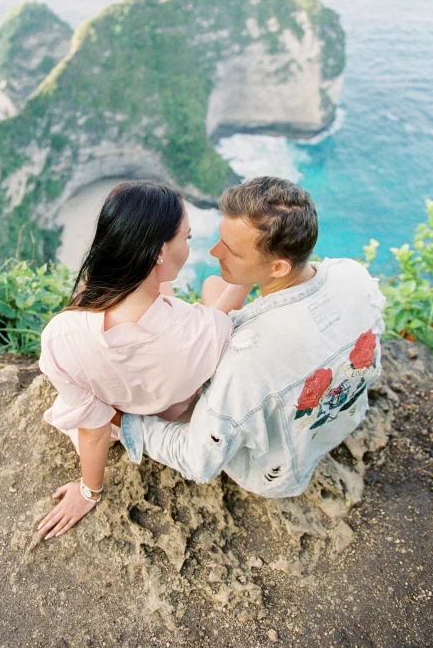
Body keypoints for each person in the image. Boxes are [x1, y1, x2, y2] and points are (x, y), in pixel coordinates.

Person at [118, 176, 386, 498]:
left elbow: (197, 460)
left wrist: (126, 424)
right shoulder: (351, 274)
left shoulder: (245, 360)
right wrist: (247, 272)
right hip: (341, 419)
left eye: (231, 251)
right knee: (214, 288)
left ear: (278, 268)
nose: (215, 252)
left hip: (277, 470)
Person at [37, 180, 250, 540]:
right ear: (159, 254)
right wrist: (247, 271)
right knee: (215, 286)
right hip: (170, 408)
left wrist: (89, 491)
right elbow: (206, 324)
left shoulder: (60, 337)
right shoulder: (205, 333)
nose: (191, 246)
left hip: (119, 413)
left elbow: (92, 429)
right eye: (187, 238)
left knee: (175, 294)